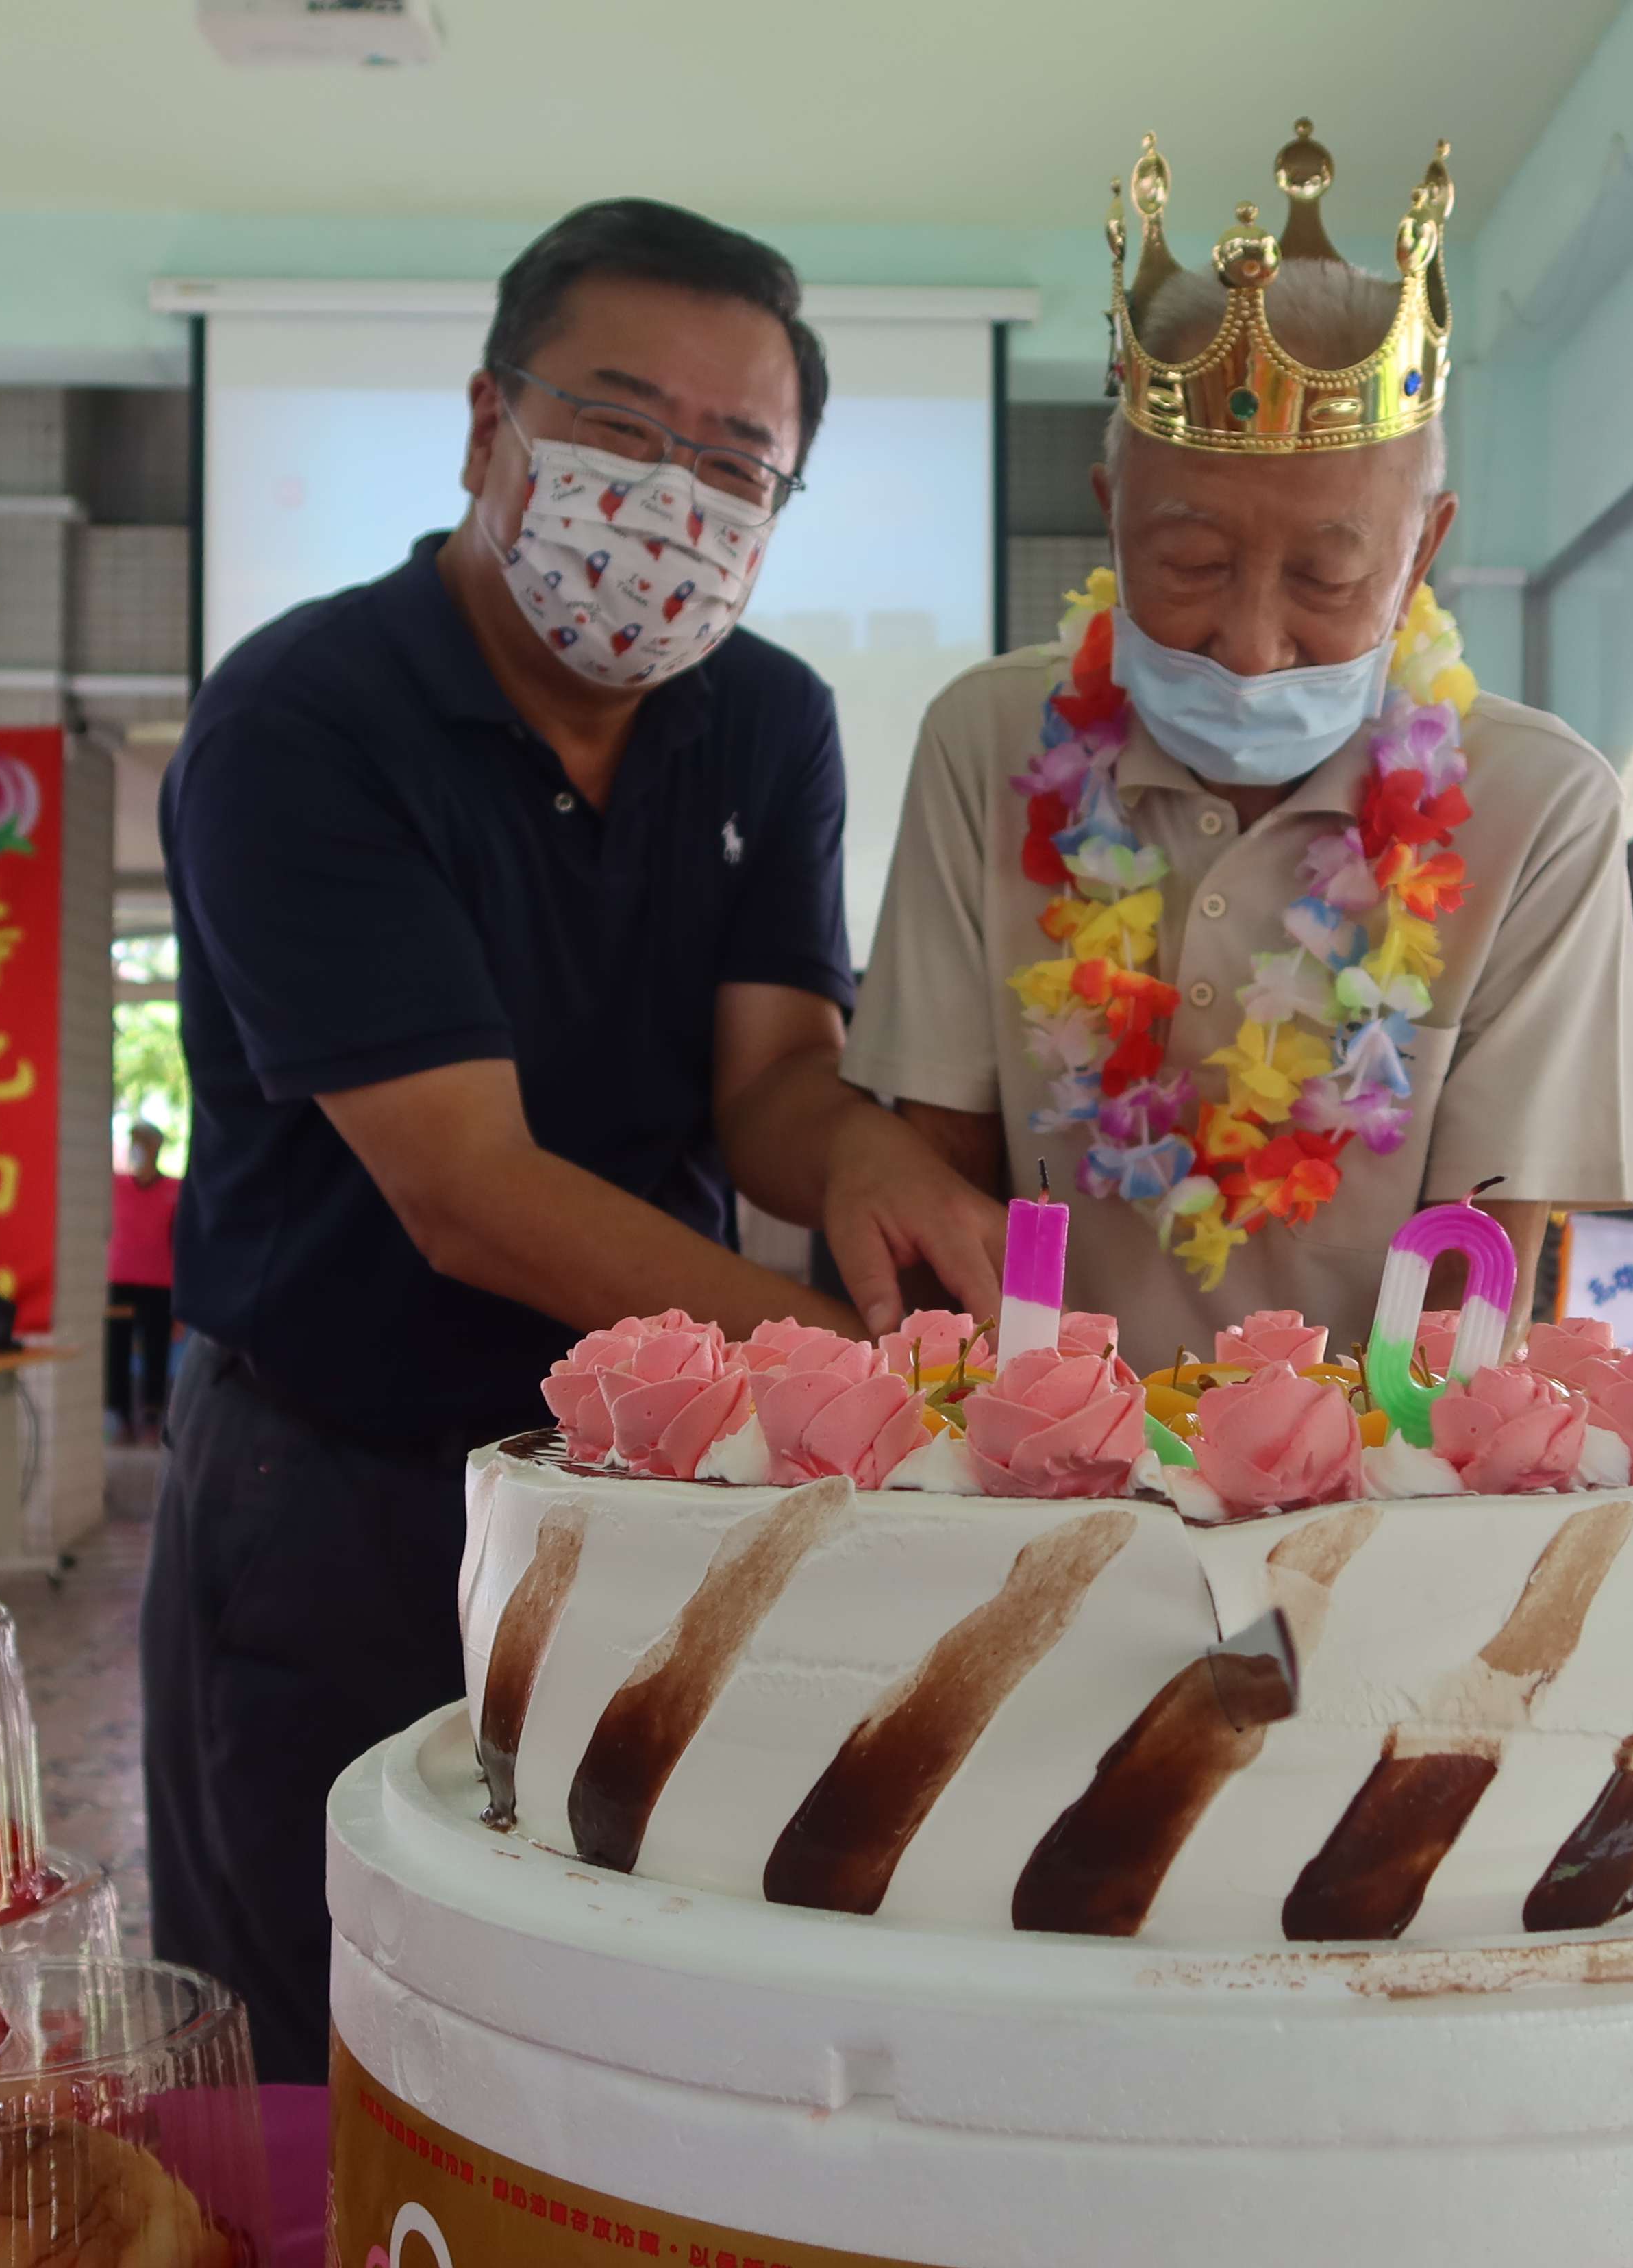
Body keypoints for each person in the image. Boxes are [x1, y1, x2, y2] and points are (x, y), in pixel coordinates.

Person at [149, 197, 993, 2082]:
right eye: (617, 426)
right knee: (325, 2020)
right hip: (339, 1488)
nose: (666, 492)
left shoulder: (764, 722)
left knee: (626, 2002)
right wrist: (854, 1375)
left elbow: (767, 1082)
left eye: (731, 461)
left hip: (645, 1491)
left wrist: (860, 1160)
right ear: (486, 426)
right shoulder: (308, 718)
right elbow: (469, 1192)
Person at [834, 123, 1633, 1358]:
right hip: (1037, 1477)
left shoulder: (1540, 805)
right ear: (1111, 518)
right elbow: (946, 1186)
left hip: (1371, 1500)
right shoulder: (988, 740)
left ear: (1422, 551)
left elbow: (1477, 1279)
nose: (1249, 642)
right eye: (1189, 563)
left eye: (1327, 578)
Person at [106, 1121, 180, 1445]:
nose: (139, 1148)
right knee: (116, 1350)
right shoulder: (115, 1186)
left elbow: (183, 1242)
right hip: (119, 1281)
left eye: (145, 1142)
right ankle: (120, 1418)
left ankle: (152, 1418)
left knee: (156, 1351)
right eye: (134, 1141)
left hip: (160, 1284)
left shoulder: (175, 1189)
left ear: (157, 1146)